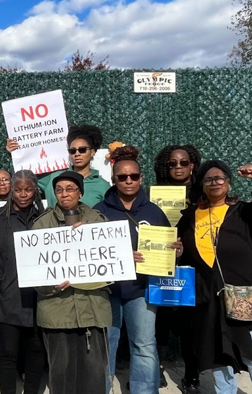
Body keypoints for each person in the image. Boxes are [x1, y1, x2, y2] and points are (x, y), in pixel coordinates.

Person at [177, 160, 252, 394]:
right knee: (218, 358)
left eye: (220, 178)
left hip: (242, 297)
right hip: (207, 299)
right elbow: (183, 254)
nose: (214, 182)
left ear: (228, 182)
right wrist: (178, 252)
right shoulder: (190, 217)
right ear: (202, 185)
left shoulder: (244, 213)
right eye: (208, 179)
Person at [92, 147, 182, 394]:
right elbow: (90, 251)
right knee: (105, 346)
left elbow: (167, 248)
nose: (128, 180)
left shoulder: (153, 211)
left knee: (144, 345)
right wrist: (121, 256)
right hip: (107, 290)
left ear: (141, 178)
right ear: (114, 179)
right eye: (122, 177)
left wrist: (175, 250)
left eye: (133, 176)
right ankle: (102, 388)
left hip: (140, 290)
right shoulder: (99, 211)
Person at [31, 171, 110, 394]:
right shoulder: (41, 225)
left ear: (81, 192)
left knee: (94, 374)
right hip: (57, 311)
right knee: (61, 374)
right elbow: (33, 270)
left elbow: (111, 266)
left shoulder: (98, 221)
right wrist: (51, 285)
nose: (64, 194)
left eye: (70, 189)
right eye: (59, 190)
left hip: (93, 309)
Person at [0, 170, 46, 394]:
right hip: (8, 298)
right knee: (8, 353)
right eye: (18, 190)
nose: (23, 194)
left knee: (36, 351)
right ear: (11, 191)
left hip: (38, 299)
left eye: (28, 189)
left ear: (35, 190)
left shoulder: (44, 219)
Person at [152, 144, 203, 393]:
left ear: (192, 165)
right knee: (159, 322)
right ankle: (156, 369)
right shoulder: (155, 194)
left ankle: (191, 377)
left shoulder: (204, 193)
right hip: (161, 263)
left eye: (183, 162)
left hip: (193, 267)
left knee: (189, 328)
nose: (178, 167)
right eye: (172, 163)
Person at [7, 125, 110, 208]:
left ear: (92, 152)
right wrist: (15, 153)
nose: (77, 154)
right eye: (72, 151)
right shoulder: (53, 177)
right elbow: (23, 178)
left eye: (82, 150)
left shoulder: (103, 186)